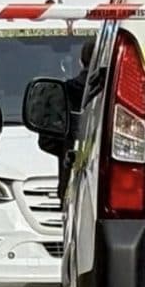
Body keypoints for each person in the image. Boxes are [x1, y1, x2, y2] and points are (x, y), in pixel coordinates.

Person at [37, 37, 95, 203]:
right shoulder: (117, 92)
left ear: (80, 61)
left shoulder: (64, 93)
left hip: (72, 182)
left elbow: (47, 140)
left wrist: (68, 148)